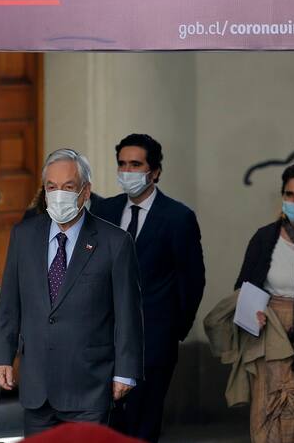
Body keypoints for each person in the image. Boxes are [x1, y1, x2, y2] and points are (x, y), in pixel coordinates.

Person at [0, 148, 143, 436]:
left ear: (86, 192)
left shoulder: (115, 242)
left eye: (68, 187)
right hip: (38, 387)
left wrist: (126, 370)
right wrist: (2, 355)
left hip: (90, 385)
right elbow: (9, 302)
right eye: (51, 187)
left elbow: (128, 314)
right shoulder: (24, 236)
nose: (59, 194)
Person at [91, 133, 205, 443]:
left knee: (143, 423)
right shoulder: (104, 213)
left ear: (154, 171)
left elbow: (192, 280)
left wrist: (173, 329)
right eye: (122, 164)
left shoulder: (178, 217)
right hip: (105, 339)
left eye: (136, 164)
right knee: (106, 424)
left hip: (153, 340)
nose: (127, 172)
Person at [232, 164, 294, 443]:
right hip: (271, 326)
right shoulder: (265, 238)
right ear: (282, 197)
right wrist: (252, 313)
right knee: (274, 399)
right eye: (290, 195)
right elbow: (244, 286)